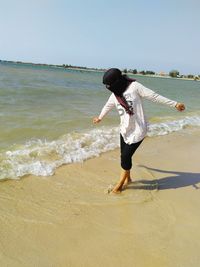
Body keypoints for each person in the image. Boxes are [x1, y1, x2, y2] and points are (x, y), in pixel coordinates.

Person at [93, 68, 185, 194]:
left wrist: (174, 104)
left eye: (109, 85)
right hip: (124, 130)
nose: (108, 88)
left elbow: (154, 96)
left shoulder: (135, 87)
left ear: (117, 81)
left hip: (138, 130)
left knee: (125, 156)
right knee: (124, 156)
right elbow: (108, 106)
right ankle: (128, 178)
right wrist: (100, 117)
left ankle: (119, 184)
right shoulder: (115, 94)